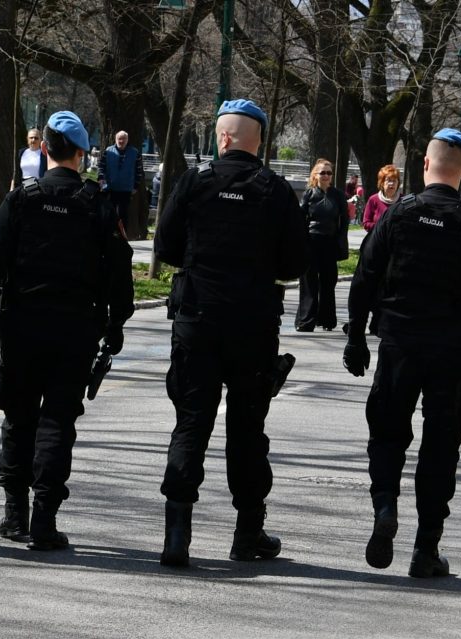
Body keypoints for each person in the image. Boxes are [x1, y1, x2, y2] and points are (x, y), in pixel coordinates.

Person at [343, 128, 461, 577]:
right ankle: (425, 549)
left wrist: (357, 337)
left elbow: (364, 278)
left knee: (387, 435)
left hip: (399, 345)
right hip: (450, 351)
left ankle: (385, 507)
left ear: (425, 164)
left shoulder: (398, 216)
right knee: (440, 449)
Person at [0, 111, 133, 551]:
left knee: (18, 418)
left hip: (22, 325)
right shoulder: (98, 203)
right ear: (81, 154)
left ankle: (14, 513)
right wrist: (116, 324)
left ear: (44, 149)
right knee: (58, 421)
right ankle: (44, 518)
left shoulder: (22, 199)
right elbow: (119, 273)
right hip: (75, 329)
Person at [154, 99, 307, 567]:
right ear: (257, 141)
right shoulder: (275, 190)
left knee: (191, 424)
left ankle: (177, 536)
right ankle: (247, 534)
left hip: (197, 320)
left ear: (221, 138)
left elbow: (166, 246)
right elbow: (292, 264)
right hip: (252, 326)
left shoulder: (194, 183)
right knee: (247, 431)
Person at [296, 159, 349, 331]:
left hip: (330, 243)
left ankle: (327, 320)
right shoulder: (309, 194)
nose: (326, 176)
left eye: (329, 173)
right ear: (315, 175)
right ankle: (306, 320)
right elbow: (300, 218)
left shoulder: (338, 195)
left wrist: (340, 239)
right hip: (312, 242)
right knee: (309, 283)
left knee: (328, 282)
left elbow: (345, 220)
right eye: (323, 173)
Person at [100, 130, 144, 228]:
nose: (121, 141)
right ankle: (109, 235)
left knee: (122, 214)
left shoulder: (135, 152)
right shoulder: (108, 151)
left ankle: (122, 237)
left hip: (126, 189)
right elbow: (101, 166)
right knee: (109, 213)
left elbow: (139, 171)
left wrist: (135, 186)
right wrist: (101, 179)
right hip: (109, 188)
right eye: (119, 139)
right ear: (115, 139)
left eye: (124, 139)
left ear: (127, 140)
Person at [362, 164, 401, 232]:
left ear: (398, 183)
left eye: (394, 180)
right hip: (378, 240)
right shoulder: (373, 200)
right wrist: (381, 227)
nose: (391, 183)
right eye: (388, 180)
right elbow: (366, 223)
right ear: (382, 183)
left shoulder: (404, 200)